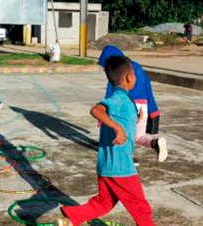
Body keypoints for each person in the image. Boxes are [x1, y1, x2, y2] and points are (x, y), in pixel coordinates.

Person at [57, 56, 155, 226]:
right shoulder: (119, 98)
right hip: (121, 166)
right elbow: (97, 110)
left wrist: (134, 119)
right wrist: (118, 128)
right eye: (135, 74)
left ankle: (71, 218)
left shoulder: (125, 100)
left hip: (107, 165)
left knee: (105, 203)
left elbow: (120, 119)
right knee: (141, 207)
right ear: (129, 77)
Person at [98, 45, 167, 163]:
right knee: (139, 136)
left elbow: (110, 92)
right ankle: (156, 142)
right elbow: (148, 88)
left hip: (126, 104)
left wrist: (104, 115)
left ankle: (127, 159)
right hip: (143, 105)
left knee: (124, 133)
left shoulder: (118, 71)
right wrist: (153, 110)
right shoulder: (137, 67)